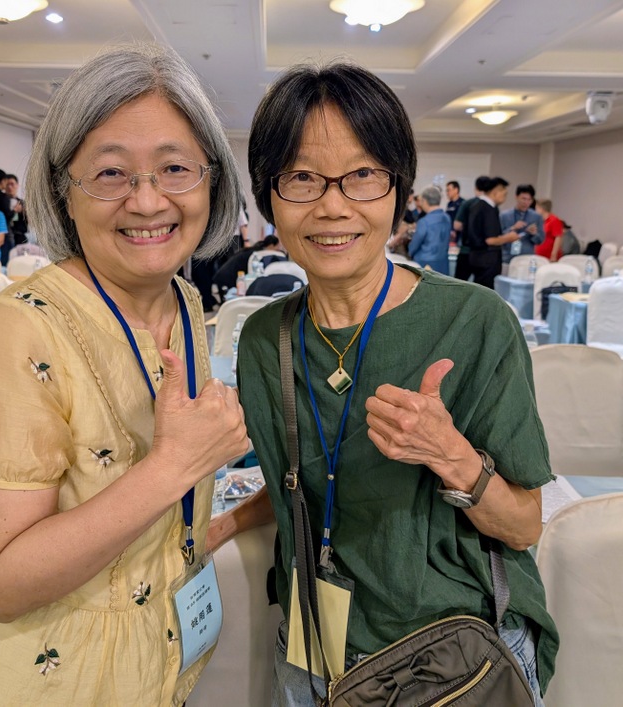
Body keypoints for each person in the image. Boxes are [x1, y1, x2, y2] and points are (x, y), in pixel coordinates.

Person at [0, 43, 248, 706]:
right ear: (63, 190)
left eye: (175, 168)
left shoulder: (182, 299)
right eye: (111, 173)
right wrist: (176, 466)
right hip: (31, 679)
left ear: (212, 180)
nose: (147, 200)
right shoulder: (14, 333)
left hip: (148, 662)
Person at [209, 59, 557, 706]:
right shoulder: (263, 340)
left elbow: (524, 526)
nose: (332, 205)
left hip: (452, 655)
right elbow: (300, 482)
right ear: (268, 198)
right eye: (301, 177)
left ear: (398, 190)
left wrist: (450, 455)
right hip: (314, 648)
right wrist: (220, 527)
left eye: (363, 174)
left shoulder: (475, 322)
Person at [465, 176, 521, 288]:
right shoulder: (488, 209)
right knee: (485, 292)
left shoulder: (477, 206)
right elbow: (490, 240)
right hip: (486, 260)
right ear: (495, 192)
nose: (504, 198)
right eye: (504, 194)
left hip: (477, 257)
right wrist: (509, 238)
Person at [452, 175, 490, 281]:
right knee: (480, 285)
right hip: (483, 253)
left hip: (467, 251)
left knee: (459, 283)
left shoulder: (468, 204)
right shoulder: (491, 206)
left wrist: (470, 227)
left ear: (476, 187)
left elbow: (457, 225)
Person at [408, 184, 451, 274]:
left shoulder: (424, 221)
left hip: (424, 264)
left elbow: (415, 244)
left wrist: (410, 252)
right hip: (443, 262)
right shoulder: (447, 218)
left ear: (425, 201)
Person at [500, 184, 544, 263]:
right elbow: (497, 237)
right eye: (523, 199)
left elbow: (540, 240)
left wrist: (534, 234)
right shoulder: (504, 216)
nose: (526, 202)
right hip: (507, 258)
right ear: (516, 197)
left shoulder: (536, 217)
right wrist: (512, 228)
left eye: (529, 200)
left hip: (526, 258)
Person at [0, 168, 15, 265]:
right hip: (3, 232)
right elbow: (6, 217)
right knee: (5, 260)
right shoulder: (3, 197)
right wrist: (15, 211)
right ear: (3, 180)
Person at [5, 173, 29, 245]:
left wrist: (24, 212)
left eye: (12, 184)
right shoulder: (1, 202)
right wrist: (14, 210)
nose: (9, 187)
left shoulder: (23, 203)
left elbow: (30, 221)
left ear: (17, 185)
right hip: (5, 237)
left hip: (20, 236)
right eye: (7, 184)